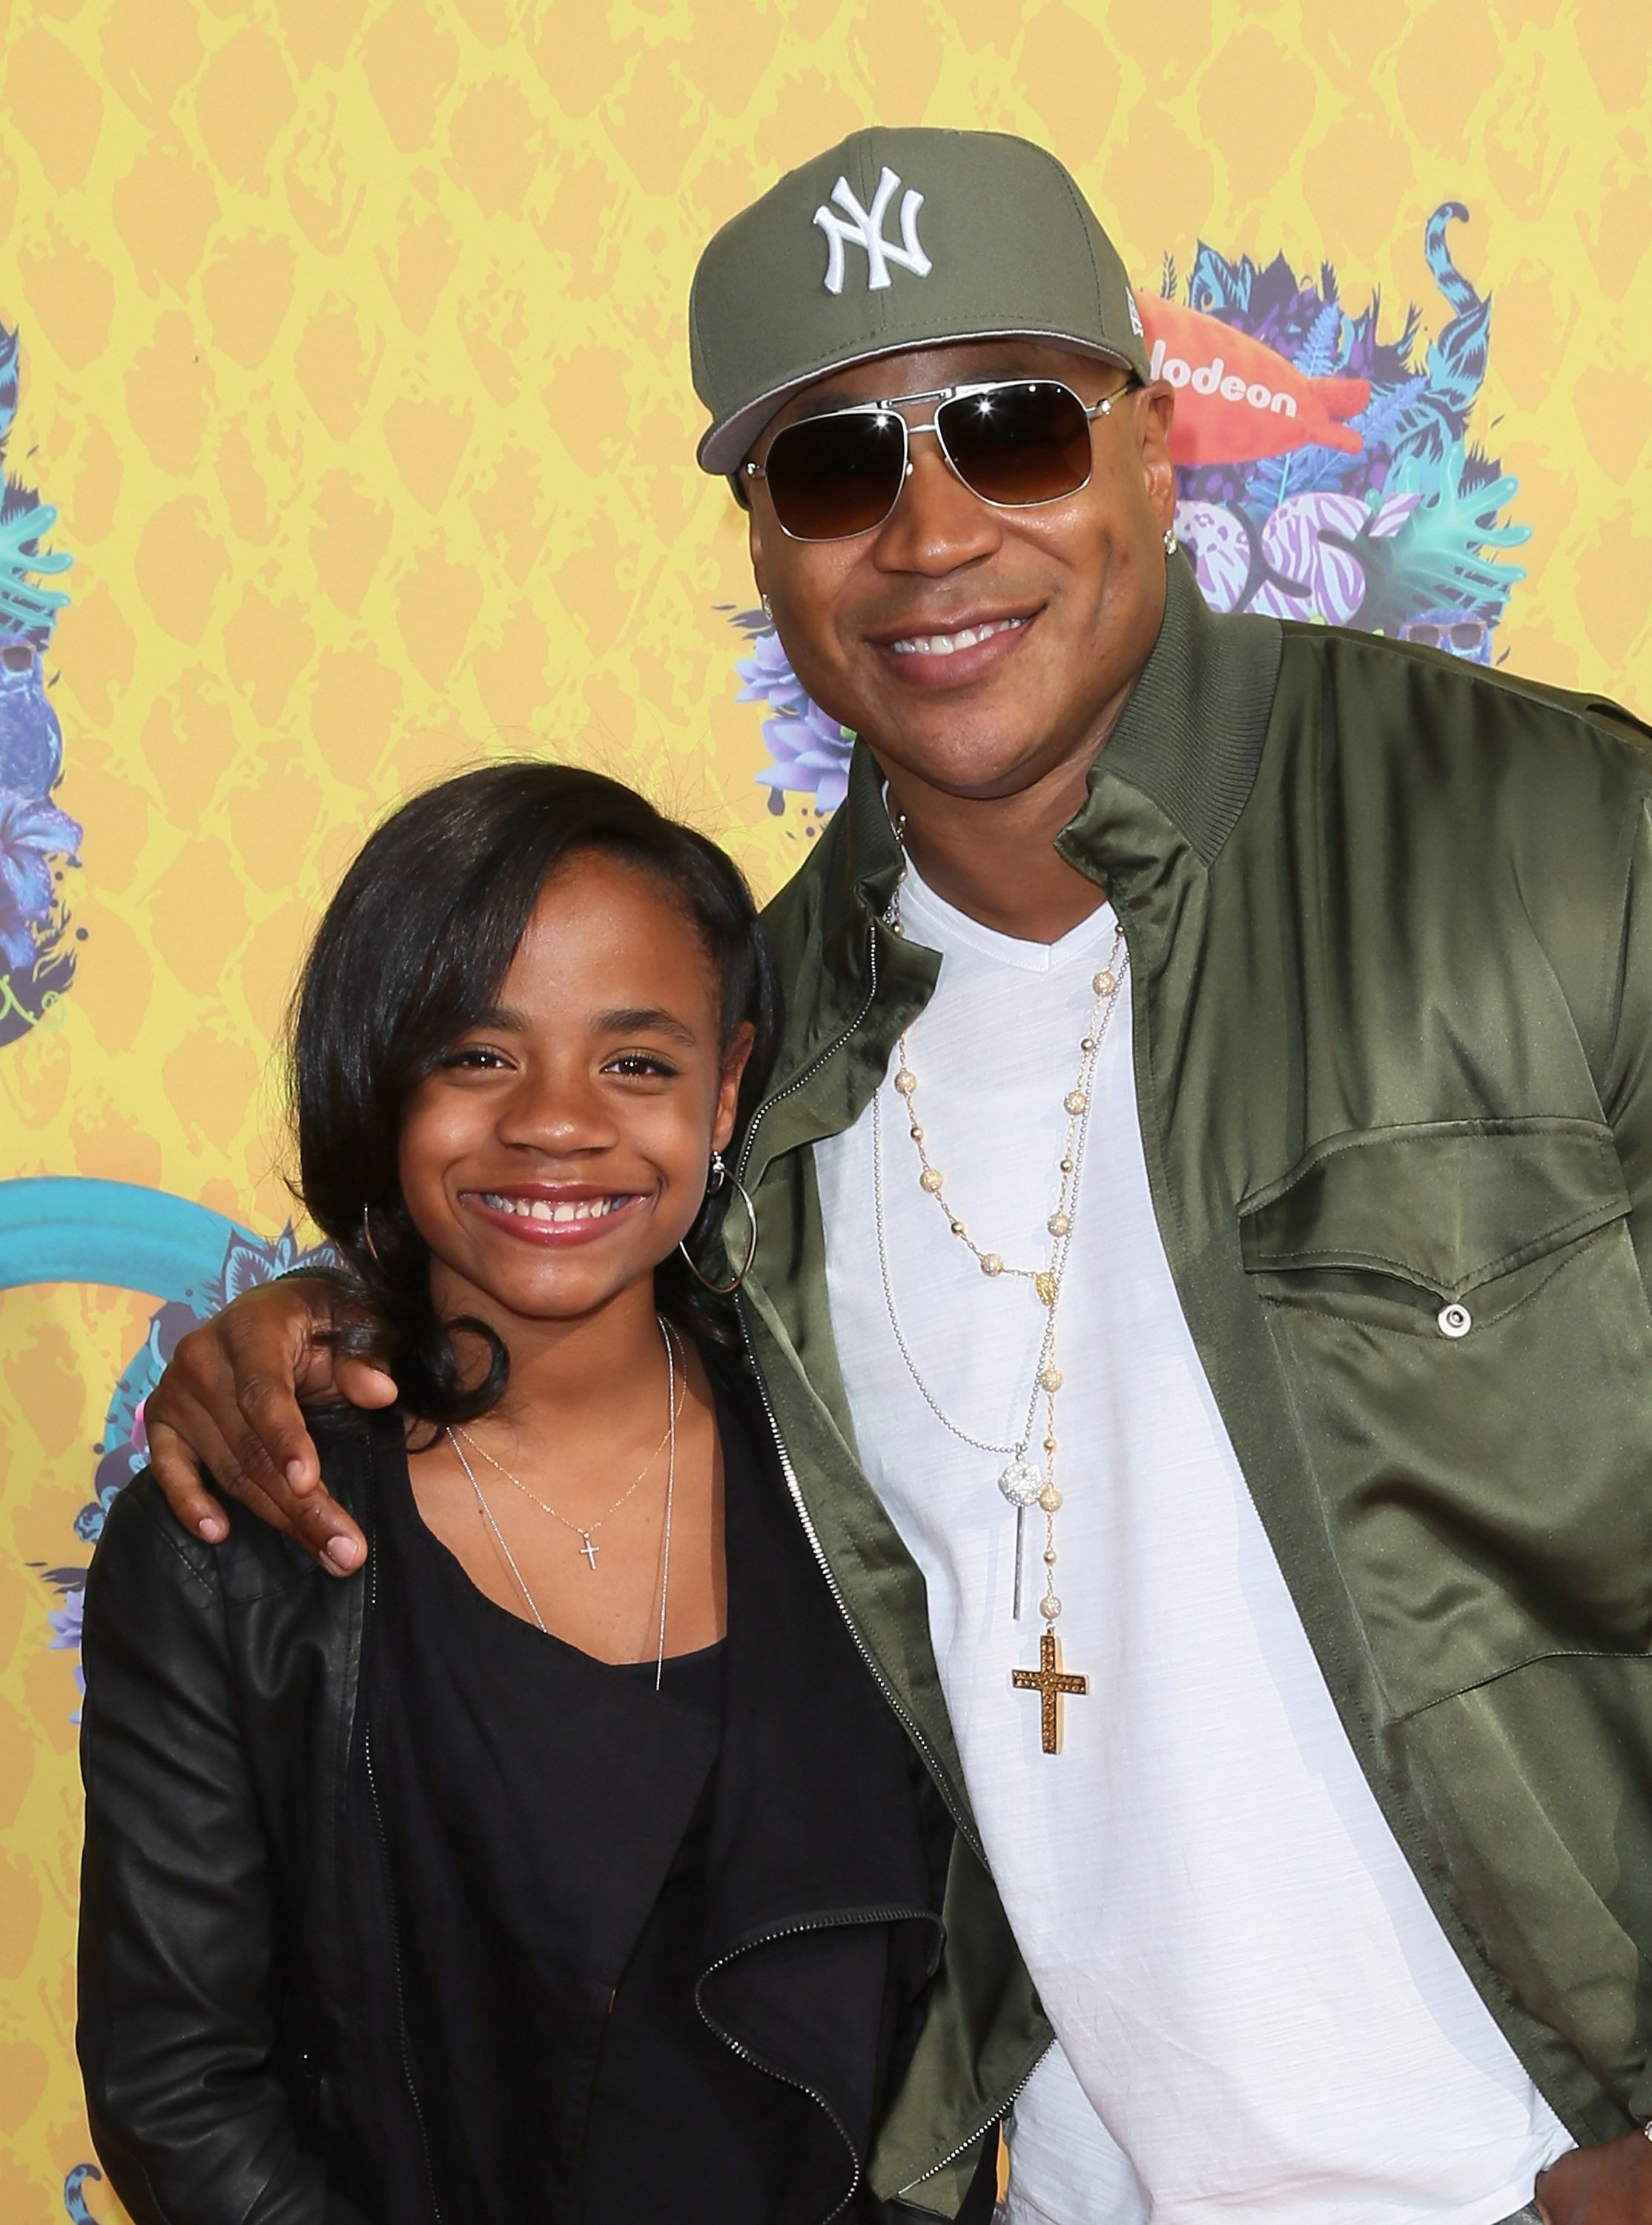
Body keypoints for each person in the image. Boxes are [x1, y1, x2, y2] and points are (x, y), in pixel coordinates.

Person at [137, 128, 1652, 2225]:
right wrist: (300, 1327)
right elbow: (560, 1342)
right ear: (761, 541)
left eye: (1010, 425)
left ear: (1150, 436)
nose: (930, 532)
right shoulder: (767, 1065)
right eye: (836, 467)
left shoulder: (1557, 847)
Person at [77, 762, 977, 2225]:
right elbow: (180, 2088)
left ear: (728, 1084)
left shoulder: (875, 1462)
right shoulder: (229, 1550)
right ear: (382, 1079)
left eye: (636, 1063)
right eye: (477, 1057)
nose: (558, 1124)